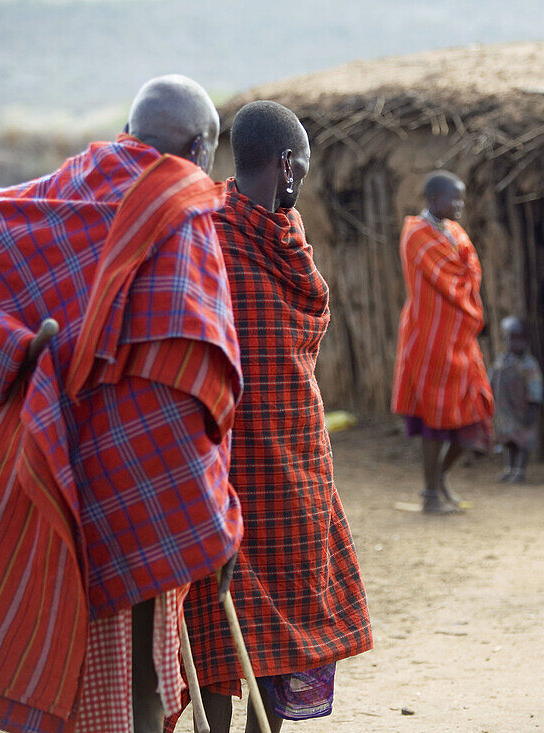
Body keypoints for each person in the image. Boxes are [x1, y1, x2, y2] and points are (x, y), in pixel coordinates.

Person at [0, 75, 243, 733]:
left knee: (77, 638)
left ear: (129, 129)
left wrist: (13, 349)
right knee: (144, 670)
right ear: (200, 145)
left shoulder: (67, 184)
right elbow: (198, 377)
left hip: (47, 454)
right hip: (144, 465)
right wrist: (212, 510)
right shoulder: (186, 210)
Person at [179, 100, 372, 733]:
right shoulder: (208, 236)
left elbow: (290, 348)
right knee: (214, 623)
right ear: (288, 165)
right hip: (227, 465)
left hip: (290, 463)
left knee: (276, 621)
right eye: (306, 168)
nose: (305, 181)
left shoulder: (277, 234)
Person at [391, 170, 494, 514]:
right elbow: (452, 279)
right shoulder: (416, 235)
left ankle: (440, 480)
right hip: (429, 336)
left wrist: (468, 278)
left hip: (460, 339)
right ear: (434, 200)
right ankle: (431, 493)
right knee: (432, 420)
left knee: (476, 411)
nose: (460, 205)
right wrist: (466, 277)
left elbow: (471, 271)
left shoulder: (454, 231)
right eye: (455, 199)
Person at [490, 316, 543, 483]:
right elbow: (492, 378)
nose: (515, 343)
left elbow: (535, 386)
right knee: (508, 441)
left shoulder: (529, 364)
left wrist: (533, 407)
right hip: (505, 412)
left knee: (522, 441)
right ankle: (509, 469)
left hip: (523, 410)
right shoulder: (502, 360)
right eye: (511, 338)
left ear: (526, 340)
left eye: (519, 339)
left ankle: (520, 471)